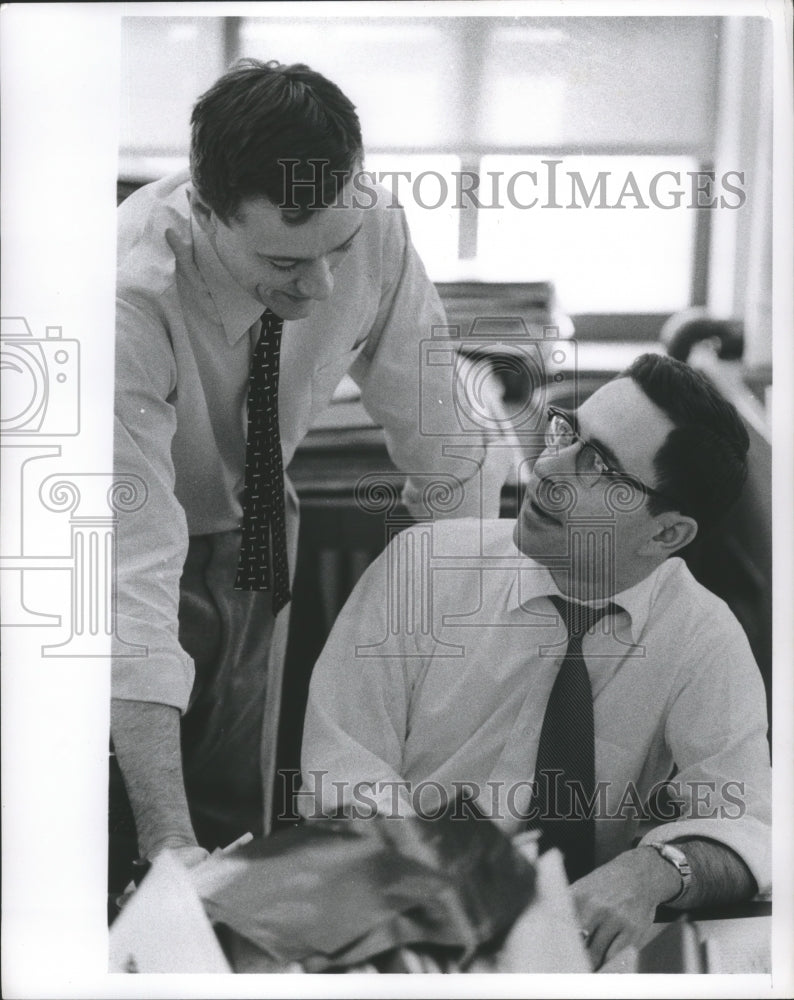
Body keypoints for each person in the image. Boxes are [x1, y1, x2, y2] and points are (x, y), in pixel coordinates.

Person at [111, 59, 510, 879]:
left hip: (257, 526)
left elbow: (447, 442)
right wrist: (166, 844)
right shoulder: (126, 300)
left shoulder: (370, 223)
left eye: (339, 248)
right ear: (209, 208)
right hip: (112, 546)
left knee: (237, 814)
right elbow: (129, 583)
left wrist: (463, 648)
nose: (323, 284)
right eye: (287, 264)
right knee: (123, 833)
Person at [299, 353, 772, 969]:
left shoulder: (702, 637)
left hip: (570, 953)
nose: (546, 468)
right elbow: (339, 778)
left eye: (598, 466)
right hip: (401, 924)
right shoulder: (421, 569)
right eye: (566, 431)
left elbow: (752, 825)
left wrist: (655, 870)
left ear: (666, 535)